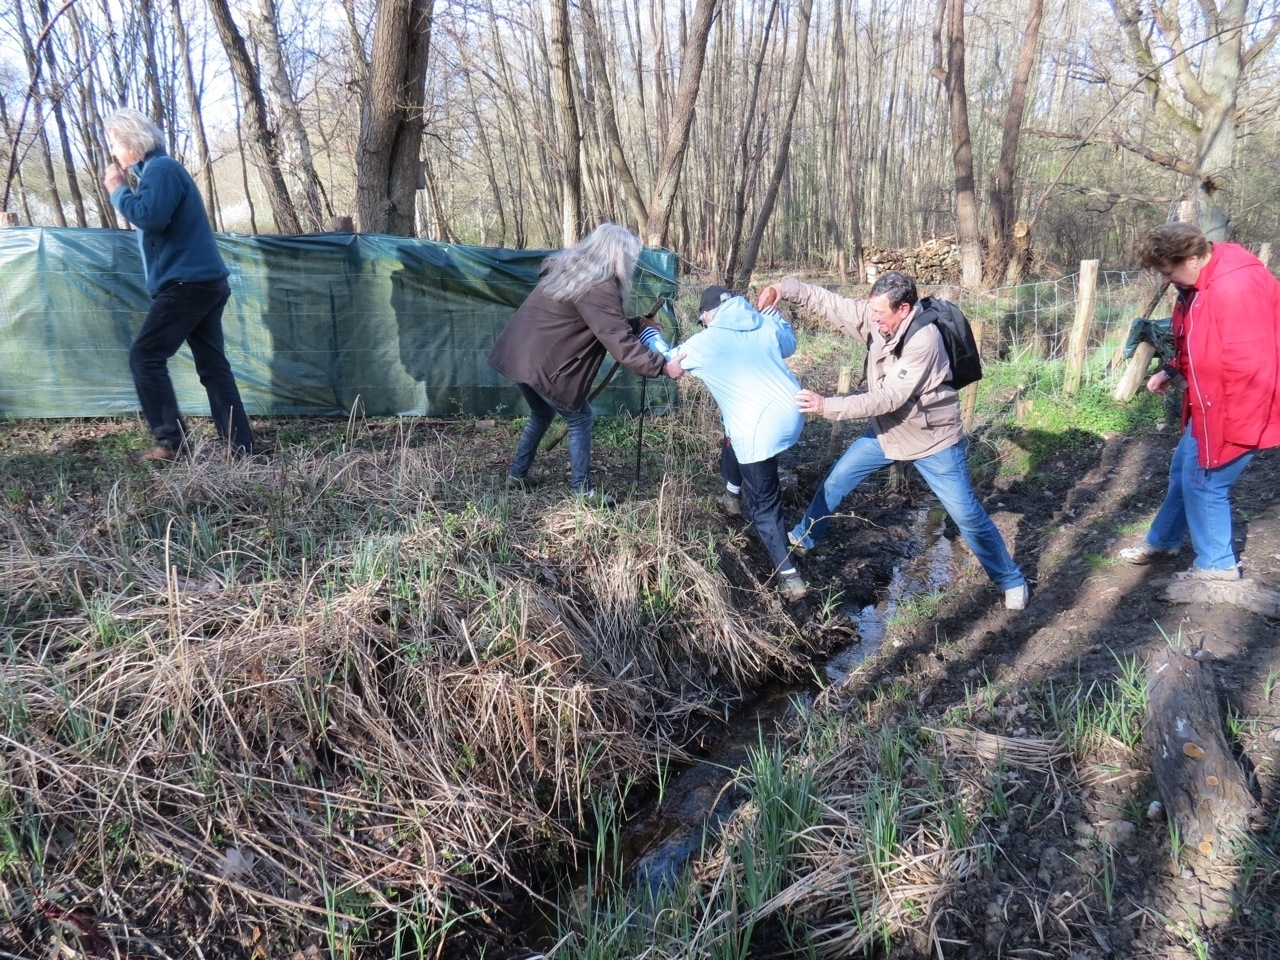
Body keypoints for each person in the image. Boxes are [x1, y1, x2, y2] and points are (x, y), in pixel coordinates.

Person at [756, 271, 1030, 611]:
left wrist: (828, 406)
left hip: (933, 440)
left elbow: (888, 397)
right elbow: (829, 302)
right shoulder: (876, 316)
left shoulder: (924, 340)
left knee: (967, 515)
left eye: (880, 314)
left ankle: (1011, 581)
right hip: (889, 433)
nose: (873, 319)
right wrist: (783, 288)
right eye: (871, 311)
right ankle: (805, 537)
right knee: (839, 479)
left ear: (904, 309)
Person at [1117, 222, 1280, 579]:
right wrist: (1174, 370)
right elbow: (1201, 341)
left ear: (1192, 258)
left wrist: (1231, 431)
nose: (1164, 280)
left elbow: (1253, 369)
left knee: (1206, 482)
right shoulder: (1200, 283)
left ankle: (1217, 567)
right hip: (1210, 401)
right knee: (1184, 472)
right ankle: (1164, 540)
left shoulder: (1236, 289)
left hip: (1238, 407)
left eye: (1167, 272)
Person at [102, 107, 254, 461]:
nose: (113, 152)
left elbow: (151, 219)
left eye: (114, 143)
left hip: (187, 284)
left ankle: (172, 442)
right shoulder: (157, 172)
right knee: (213, 368)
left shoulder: (162, 170)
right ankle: (240, 447)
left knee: (146, 356)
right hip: (203, 282)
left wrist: (117, 191)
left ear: (130, 141)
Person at [487, 223, 677, 496]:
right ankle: (582, 492)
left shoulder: (572, 272)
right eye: (630, 257)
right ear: (618, 255)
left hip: (520, 355)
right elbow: (618, 342)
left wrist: (637, 324)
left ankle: (517, 474)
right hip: (541, 363)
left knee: (542, 413)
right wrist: (662, 366)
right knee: (581, 418)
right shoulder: (598, 286)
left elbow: (601, 322)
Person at [647, 286, 808, 601]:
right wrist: (772, 312)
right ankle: (730, 496)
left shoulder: (706, 341)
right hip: (793, 412)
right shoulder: (765, 322)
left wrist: (650, 335)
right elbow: (789, 344)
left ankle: (791, 578)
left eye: (702, 320)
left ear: (707, 315)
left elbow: (669, 365)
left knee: (764, 505)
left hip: (759, 428)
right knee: (731, 428)